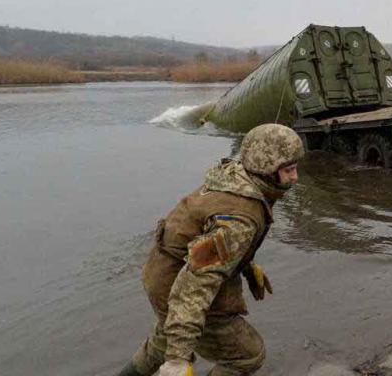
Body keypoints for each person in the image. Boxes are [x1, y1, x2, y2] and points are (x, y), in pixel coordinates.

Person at [118, 123, 304, 376]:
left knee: (162, 341)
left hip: (160, 270)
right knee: (247, 356)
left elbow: (205, 234)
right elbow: (193, 287)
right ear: (267, 169)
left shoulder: (235, 177)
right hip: (176, 281)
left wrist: (244, 262)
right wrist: (178, 359)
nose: (295, 177)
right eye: (288, 170)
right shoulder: (239, 220)